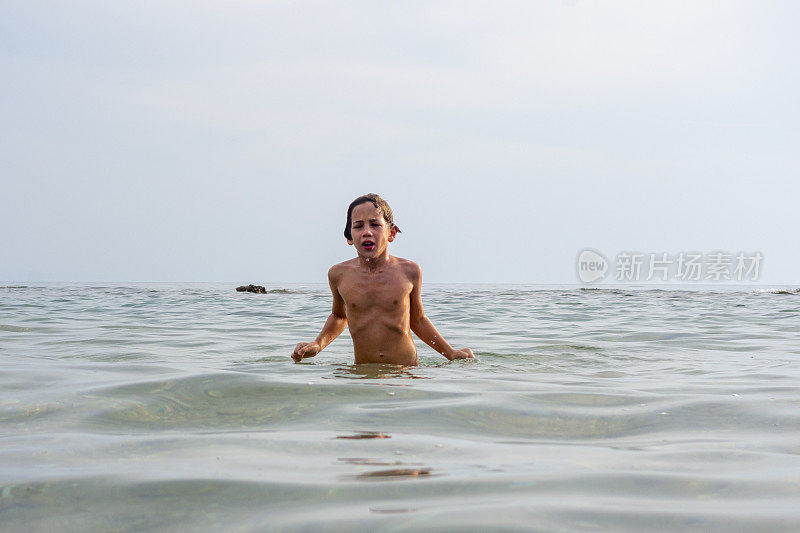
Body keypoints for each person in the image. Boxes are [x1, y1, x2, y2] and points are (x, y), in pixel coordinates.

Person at [291, 193, 475, 365]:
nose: (367, 232)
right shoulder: (338, 275)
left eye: (375, 224)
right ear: (349, 237)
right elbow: (339, 316)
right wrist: (318, 344)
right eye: (358, 226)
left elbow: (418, 320)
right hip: (363, 374)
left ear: (391, 233)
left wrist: (450, 353)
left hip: (406, 372)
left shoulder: (409, 271)